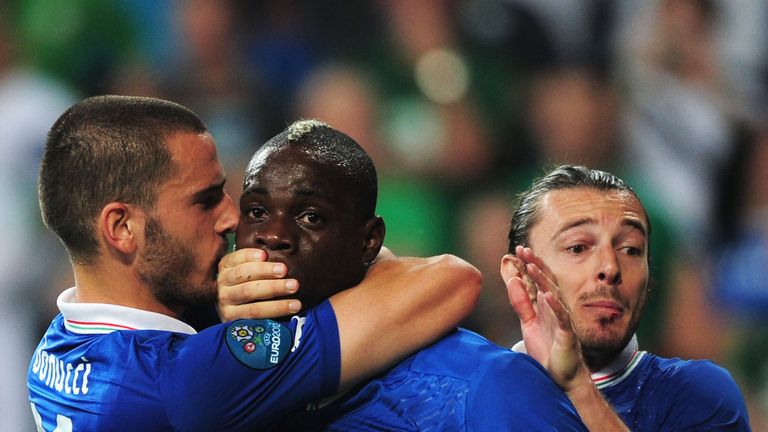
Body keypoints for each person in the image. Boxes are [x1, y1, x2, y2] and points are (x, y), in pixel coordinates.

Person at [27, 95, 482, 431]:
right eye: (205, 201)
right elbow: (450, 281)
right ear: (122, 227)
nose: (230, 217)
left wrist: (221, 305)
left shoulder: (52, 350)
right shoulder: (187, 382)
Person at [222, 119, 589, 430]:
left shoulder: (486, 384)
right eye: (256, 211)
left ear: (369, 241)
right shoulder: (216, 362)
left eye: (311, 217)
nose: (273, 235)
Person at [501, 164, 752, 430]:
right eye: (578, 248)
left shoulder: (697, 395)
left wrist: (578, 386)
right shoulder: (471, 389)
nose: (610, 267)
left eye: (631, 250)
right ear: (520, 274)